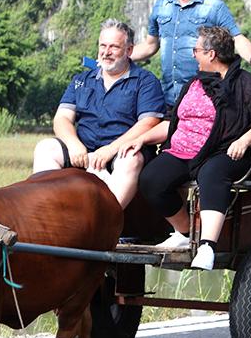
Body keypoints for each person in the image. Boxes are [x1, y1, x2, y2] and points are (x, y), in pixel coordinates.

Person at [121, 26, 251, 271]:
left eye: (196, 50)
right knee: (152, 179)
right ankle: (185, 232)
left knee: (212, 172)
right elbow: (174, 124)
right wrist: (142, 138)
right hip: (184, 149)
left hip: (227, 151)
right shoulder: (193, 84)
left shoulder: (246, 85)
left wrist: (244, 140)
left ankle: (207, 245)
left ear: (211, 54)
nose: (193, 54)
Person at [32, 19, 165, 209]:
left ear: (129, 50)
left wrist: (110, 150)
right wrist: (74, 144)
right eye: (103, 45)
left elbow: (149, 123)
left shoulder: (146, 82)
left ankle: (106, 219)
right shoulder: (81, 80)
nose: (106, 52)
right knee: (46, 148)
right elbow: (62, 118)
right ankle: (50, 209)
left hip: (120, 151)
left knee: (131, 159)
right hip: (83, 149)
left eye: (114, 47)